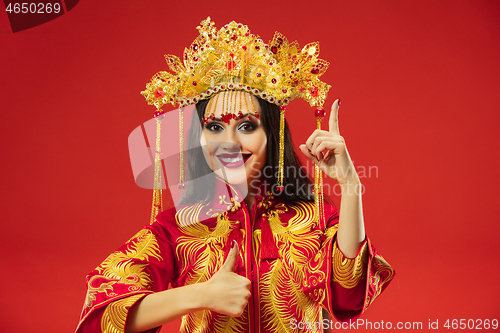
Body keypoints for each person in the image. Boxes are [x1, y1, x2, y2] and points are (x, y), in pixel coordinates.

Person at [76, 18, 394, 333]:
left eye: (246, 126)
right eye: (215, 127)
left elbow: (350, 291)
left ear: (271, 134)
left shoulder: (313, 218)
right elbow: (103, 314)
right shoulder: (178, 228)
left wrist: (351, 186)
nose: (229, 142)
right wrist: (199, 295)